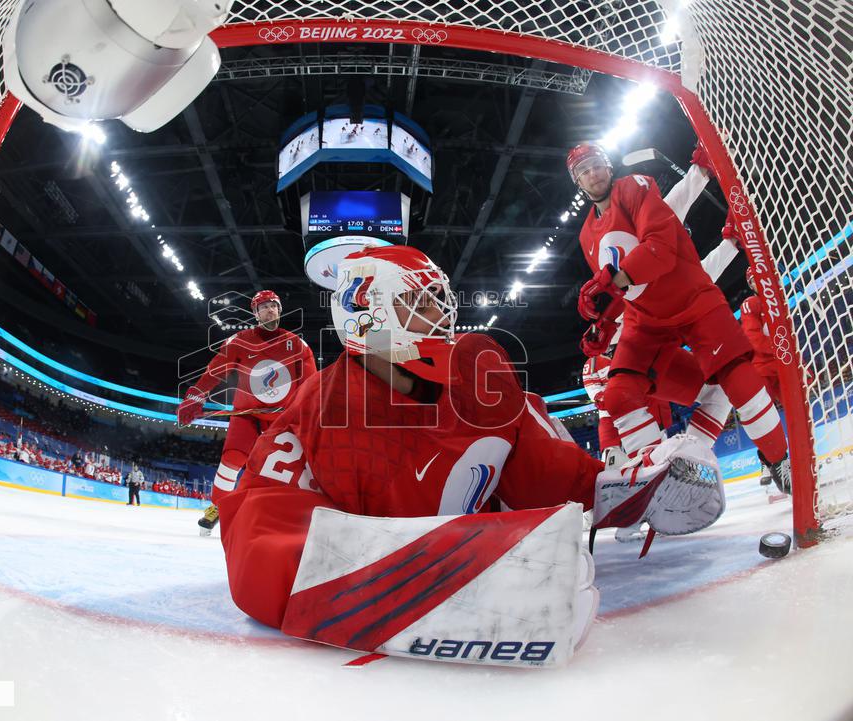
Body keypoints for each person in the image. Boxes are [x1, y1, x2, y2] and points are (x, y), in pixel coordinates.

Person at [217, 245, 725, 667]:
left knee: (515, 403)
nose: (443, 316)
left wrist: (606, 488)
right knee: (270, 549)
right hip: (334, 523)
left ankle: (606, 492)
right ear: (367, 316)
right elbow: (263, 536)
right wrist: (467, 581)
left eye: (440, 301)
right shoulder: (328, 400)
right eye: (421, 303)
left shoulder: (472, 373)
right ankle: (454, 575)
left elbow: (527, 455)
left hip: (451, 514)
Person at [568, 142, 791, 493]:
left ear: (608, 167)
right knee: (618, 395)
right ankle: (665, 481)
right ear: (577, 182)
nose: (592, 174)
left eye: (596, 165)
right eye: (583, 171)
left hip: (691, 301)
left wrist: (701, 171)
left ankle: (778, 460)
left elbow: (658, 250)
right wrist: (604, 321)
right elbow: (616, 290)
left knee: (736, 379)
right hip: (646, 321)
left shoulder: (636, 187)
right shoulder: (586, 234)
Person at [178, 290, 317, 536]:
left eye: (273, 305)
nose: (269, 310)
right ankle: (218, 507)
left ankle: (295, 514)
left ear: (280, 310)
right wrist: (195, 397)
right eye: (262, 307)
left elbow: (311, 386)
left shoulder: (298, 345)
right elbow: (214, 372)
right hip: (247, 414)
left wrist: (312, 414)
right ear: (255, 313)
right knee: (232, 458)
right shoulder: (239, 341)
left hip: (283, 419)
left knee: (291, 468)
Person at [739, 267, 786, 485]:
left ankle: (803, 455)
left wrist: (799, 364)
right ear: (751, 284)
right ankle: (767, 462)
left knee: (798, 409)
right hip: (762, 367)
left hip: (783, 364)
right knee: (764, 416)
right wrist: (780, 349)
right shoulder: (751, 303)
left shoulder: (780, 303)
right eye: (753, 280)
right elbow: (753, 338)